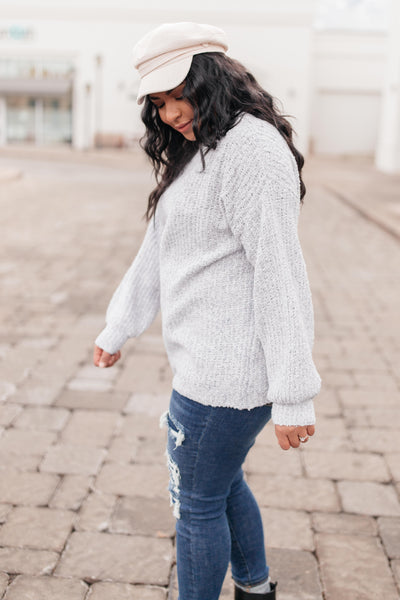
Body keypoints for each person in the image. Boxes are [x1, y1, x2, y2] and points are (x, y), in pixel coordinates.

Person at [93, 22, 321, 600]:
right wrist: (119, 324)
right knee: (220, 488)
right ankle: (254, 588)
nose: (169, 114)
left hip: (225, 382)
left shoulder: (250, 150)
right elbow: (158, 251)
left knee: (194, 504)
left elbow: (280, 274)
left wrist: (295, 393)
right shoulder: (202, 150)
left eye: (177, 96)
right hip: (206, 369)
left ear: (211, 77)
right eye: (159, 103)